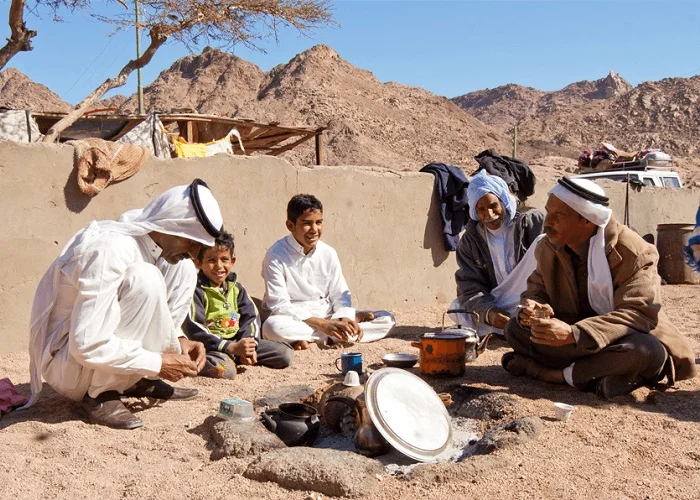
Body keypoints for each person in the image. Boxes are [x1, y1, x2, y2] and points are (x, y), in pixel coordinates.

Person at [24, 179, 224, 429]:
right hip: (68, 365)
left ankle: (132, 379)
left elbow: (154, 313)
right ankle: (101, 393)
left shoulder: (154, 246)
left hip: (89, 358)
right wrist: (158, 363)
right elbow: (86, 345)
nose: (195, 254)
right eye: (191, 243)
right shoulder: (112, 248)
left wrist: (179, 340)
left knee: (183, 268)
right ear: (172, 227)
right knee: (146, 278)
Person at [502, 177, 697, 399]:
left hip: (617, 339)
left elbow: (637, 314)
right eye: (548, 212)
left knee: (646, 351)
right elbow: (535, 291)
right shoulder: (548, 246)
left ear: (586, 220)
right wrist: (532, 308)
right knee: (514, 330)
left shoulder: (634, 252)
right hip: (573, 339)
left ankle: (553, 375)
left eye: (558, 216)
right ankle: (595, 375)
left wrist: (574, 334)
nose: (547, 222)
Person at [261, 194, 395, 349]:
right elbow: (279, 304)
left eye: (319, 223)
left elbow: (340, 294)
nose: (314, 230)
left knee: (387, 319)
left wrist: (344, 317)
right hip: (296, 318)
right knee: (271, 328)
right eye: (307, 223)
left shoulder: (328, 252)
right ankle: (336, 336)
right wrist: (323, 324)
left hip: (328, 314)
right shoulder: (275, 255)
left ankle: (321, 336)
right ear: (290, 225)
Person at [182, 231, 294, 378]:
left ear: (232, 261)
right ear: (198, 263)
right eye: (211, 260)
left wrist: (248, 346)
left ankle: (239, 356)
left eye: (224, 259)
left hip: (238, 342)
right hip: (213, 347)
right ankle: (202, 362)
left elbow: (251, 317)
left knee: (285, 353)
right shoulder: (196, 290)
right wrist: (230, 347)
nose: (219, 266)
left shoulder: (237, 289)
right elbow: (195, 328)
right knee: (224, 370)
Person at [451, 171, 545, 334]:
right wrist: (490, 313)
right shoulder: (470, 241)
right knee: (457, 308)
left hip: (534, 295)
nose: (488, 214)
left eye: (493, 206)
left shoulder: (532, 222)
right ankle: (509, 325)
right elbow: (470, 286)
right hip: (501, 302)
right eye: (481, 209)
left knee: (542, 241)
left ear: (504, 201)